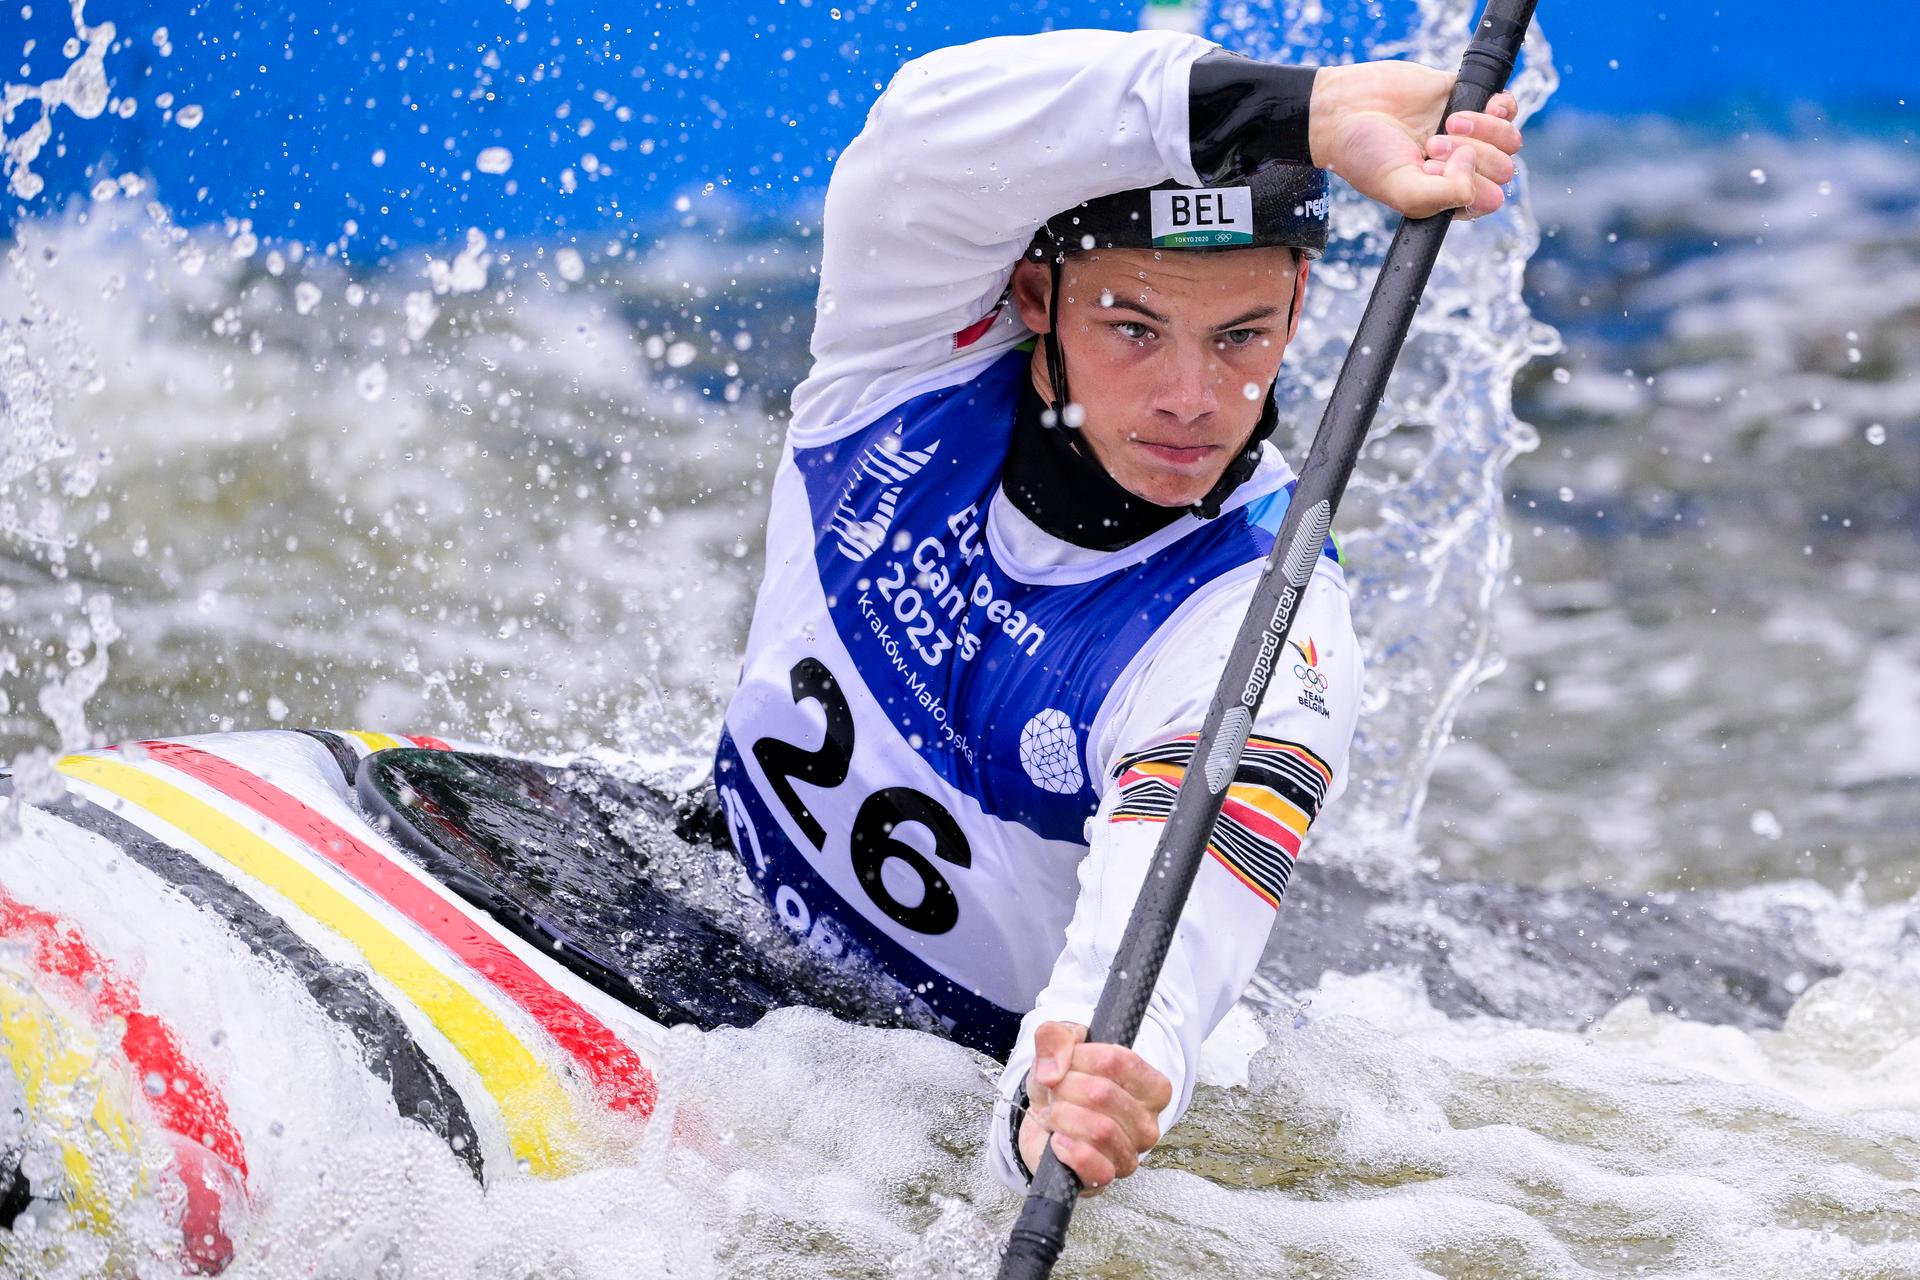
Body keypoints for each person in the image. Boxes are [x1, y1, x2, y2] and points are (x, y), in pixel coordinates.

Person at [711, 26, 1523, 1195]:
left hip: (899, 1087)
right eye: (1135, 329)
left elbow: (1155, 967)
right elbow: (928, 126)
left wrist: (1056, 1118)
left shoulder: (1260, 636)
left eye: (1240, 335)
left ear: (1297, 305)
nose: (1193, 398)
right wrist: (1307, 108)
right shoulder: (905, 352)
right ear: (1039, 295)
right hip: (702, 879)